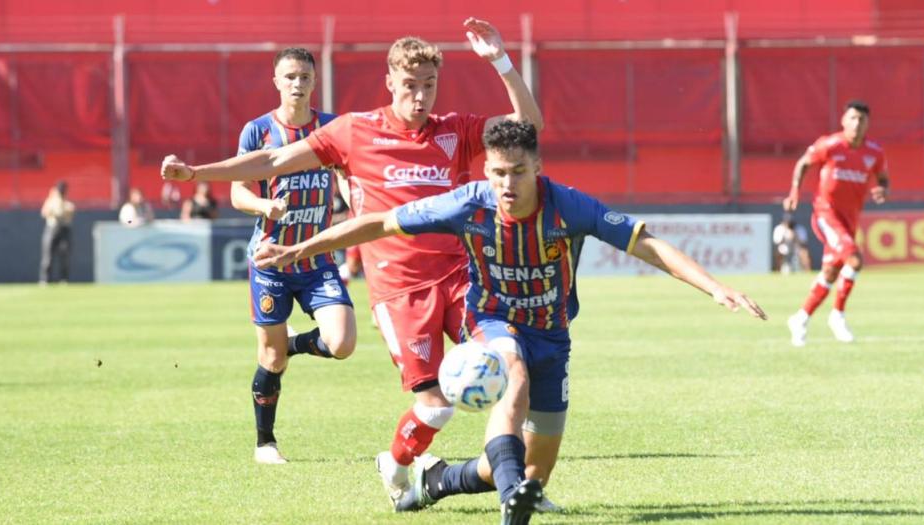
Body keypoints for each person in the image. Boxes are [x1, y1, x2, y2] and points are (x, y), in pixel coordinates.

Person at [252, 120, 767, 524]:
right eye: (497, 172)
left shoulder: (569, 206)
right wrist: (300, 247)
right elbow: (379, 223)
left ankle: (437, 484)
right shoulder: (467, 204)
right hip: (494, 320)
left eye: (517, 171)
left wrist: (716, 287)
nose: (506, 183)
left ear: (537, 166)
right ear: (487, 172)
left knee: (532, 475)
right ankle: (509, 514)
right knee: (511, 377)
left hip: (554, 334)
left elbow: (645, 244)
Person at [161, 18, 542, 504]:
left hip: (462, 278)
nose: (420, 97)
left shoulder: (457, 130)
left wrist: (502, 64)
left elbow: (528, 130)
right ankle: (399, 464)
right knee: (435, 408)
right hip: (400, 291)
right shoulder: (355, 132)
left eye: (429, 85)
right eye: (410, 86)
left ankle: (519, 487)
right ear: (389, 83)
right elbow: (272, 163)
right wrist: (197, 172)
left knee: (514, 370)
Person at [178, 47, 357, 464]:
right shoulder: (257, 131)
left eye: (305, 77)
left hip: (316, 257)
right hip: (270, 259)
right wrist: (263, 207)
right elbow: (239, 189)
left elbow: (347, 177)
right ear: (276, 81)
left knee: (343, 342)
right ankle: (265, 443)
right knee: (272, 358)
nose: (298, 84)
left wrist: (356, 205)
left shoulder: (331, 127)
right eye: (290, 77)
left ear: (315, 81)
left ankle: (296, 342)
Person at [782, 100, 889, 346]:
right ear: (843, 121)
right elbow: (803, 163)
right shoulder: (830, 145)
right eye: (852, 118)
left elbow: (883, 179)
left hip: (850, 218)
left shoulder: (874, 152)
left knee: (830, 272)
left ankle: (800, 318)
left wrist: (882, 190)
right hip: (825, 213)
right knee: (854, 259)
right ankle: (837, 315)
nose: (857, 123)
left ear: (867, 124)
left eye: (862, 119)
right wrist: (795, 191)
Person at [39, 180, 75, 284]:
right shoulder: (51, 202)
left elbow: (69, 213)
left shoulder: (67, 203)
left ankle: (64, 279)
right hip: (52, 228)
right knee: (48, 256)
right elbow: (45, 212)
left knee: (64, 255)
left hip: (64, 229)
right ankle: (45, 279)